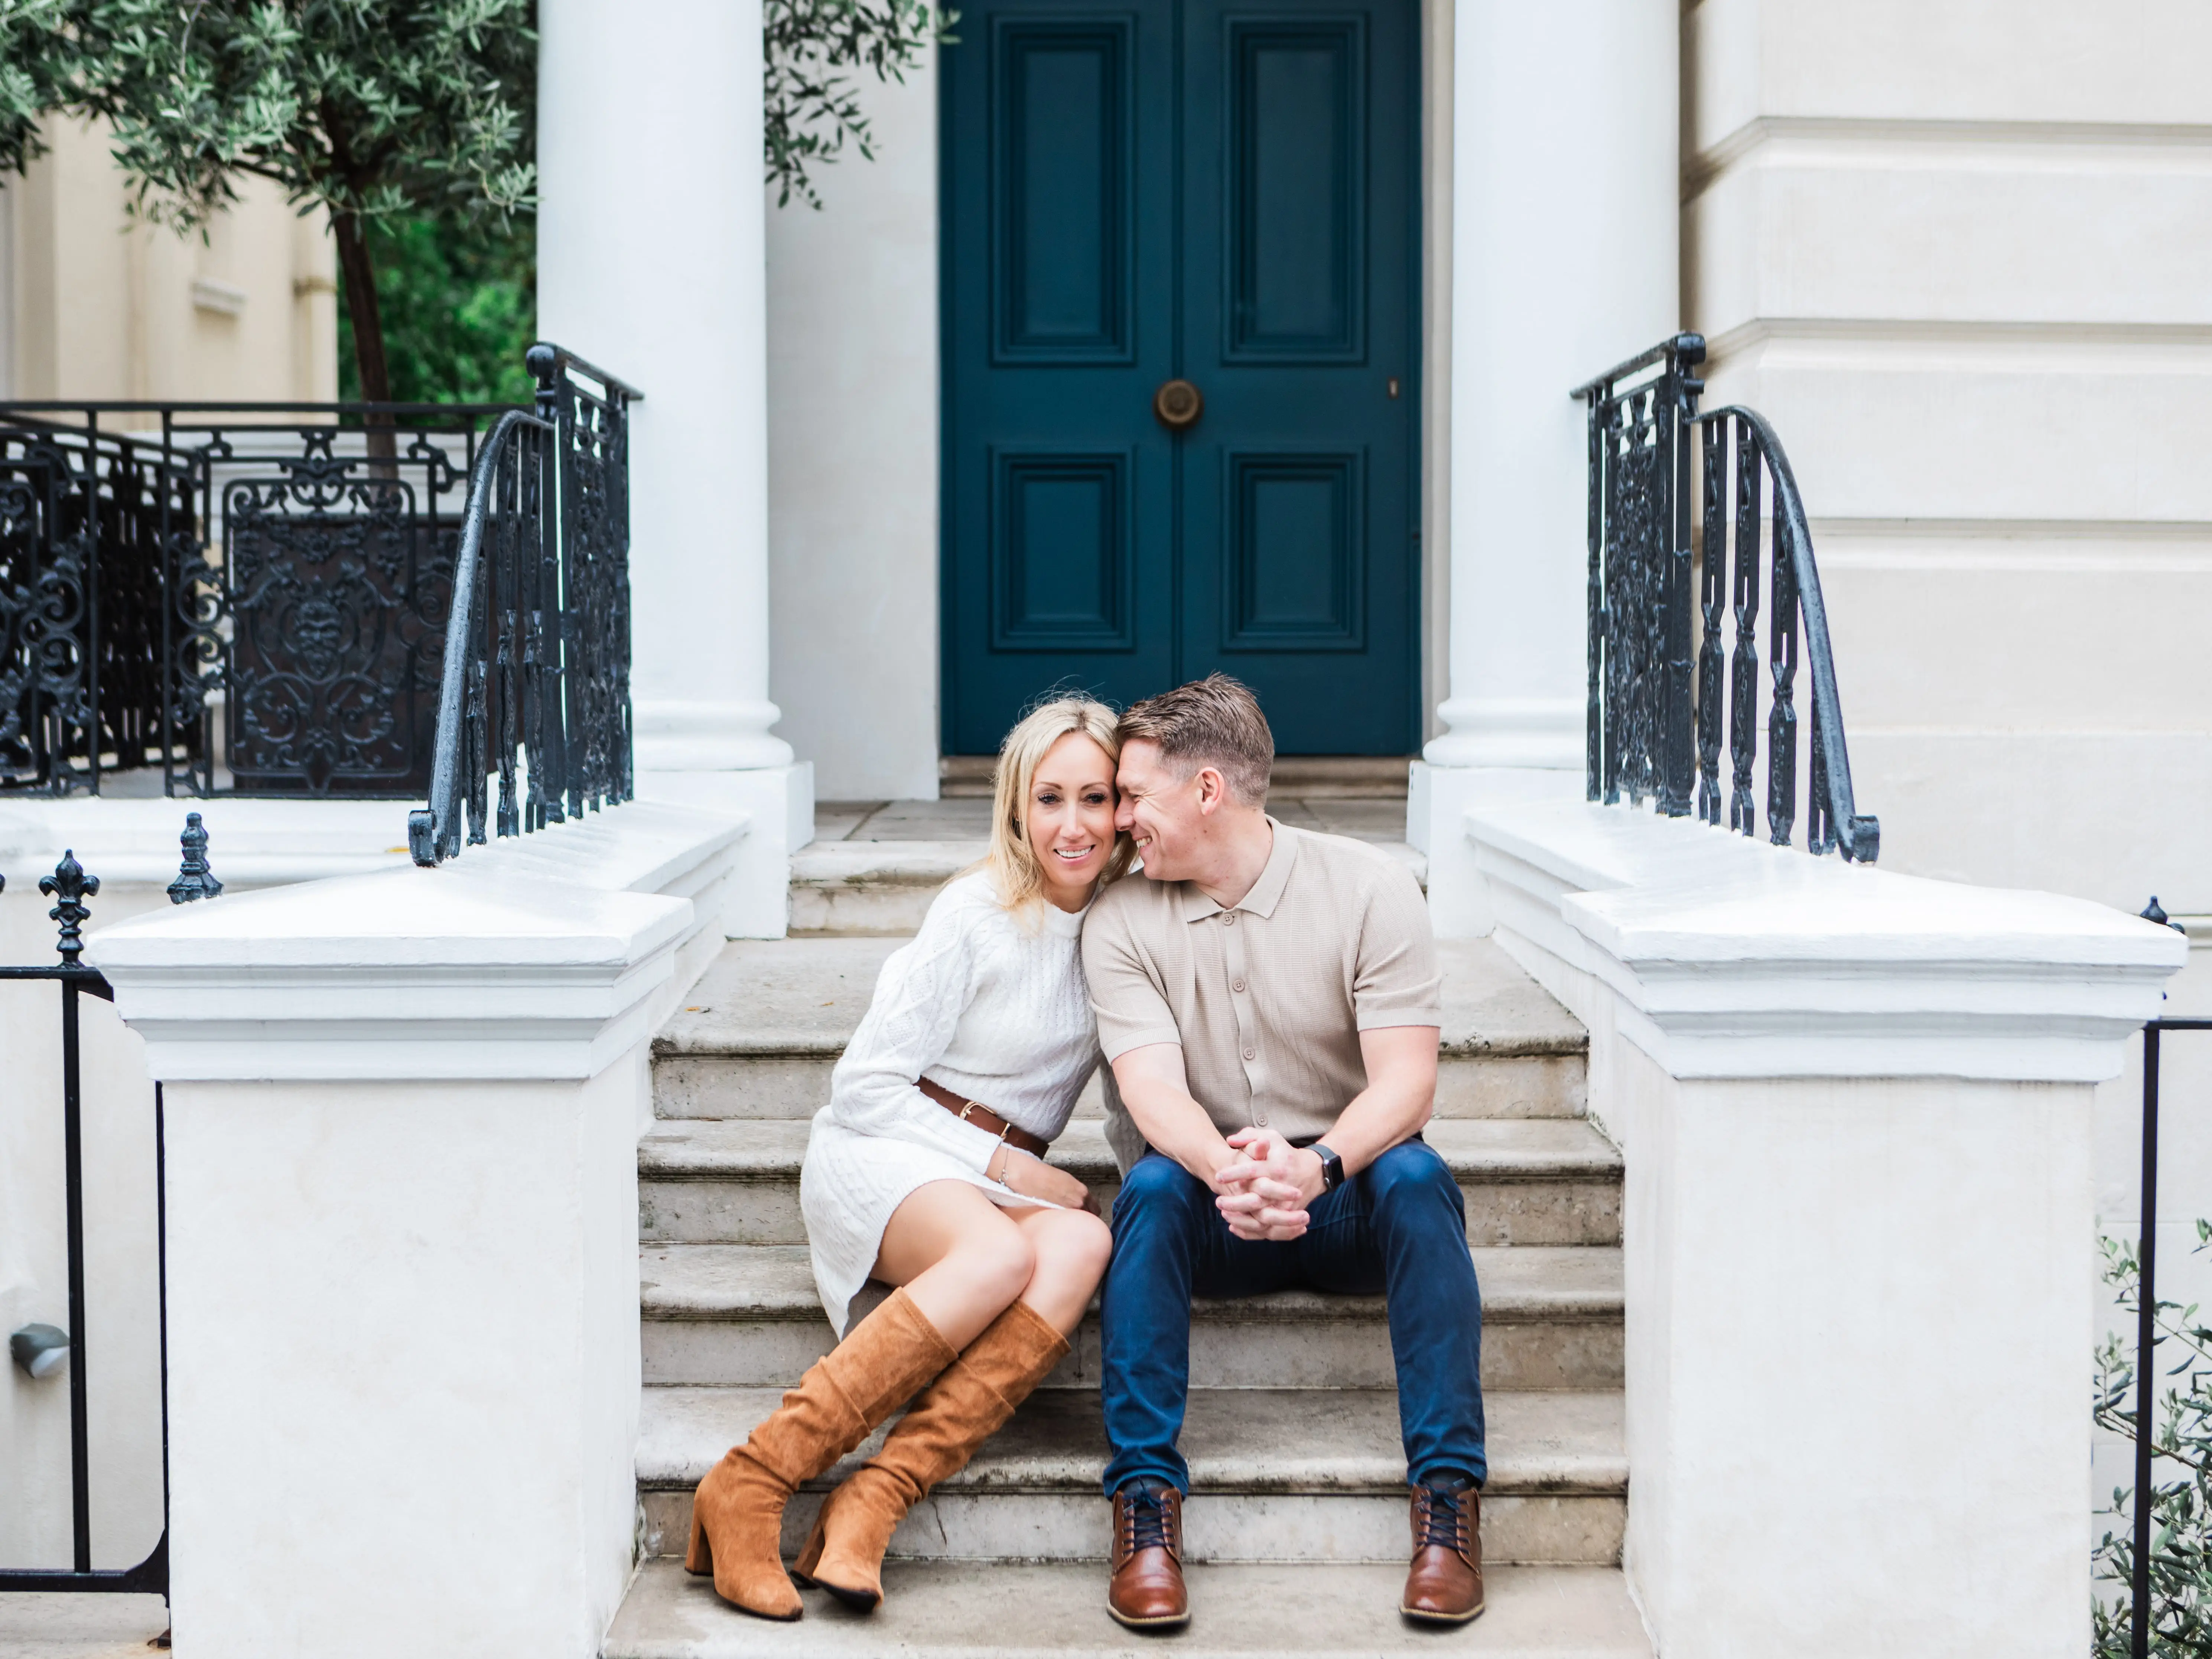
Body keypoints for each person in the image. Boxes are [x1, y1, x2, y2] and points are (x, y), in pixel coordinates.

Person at [687, 697, 1128, 1621]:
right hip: (886, 1146)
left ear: (1125, 808)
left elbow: (1137, 1086)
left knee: (1084, 1245)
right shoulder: (974, 912)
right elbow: (864, 1088)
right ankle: (752, 1479)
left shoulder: (1126, 931)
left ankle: (872, 1496)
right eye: (1050, 798)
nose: (1074, 824)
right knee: (1004, 1253)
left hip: (975, 1179)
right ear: (1016, 807)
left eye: (1095, 797)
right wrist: (1009, 1169)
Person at [1081, 674, 1486, 1630]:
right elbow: (1150, 1092)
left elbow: (1406, 1085)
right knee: (1144, 1189)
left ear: (1207, 790)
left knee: (1419, 1174)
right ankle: (1144, 1508)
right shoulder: (1119, 920)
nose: (1120, 819)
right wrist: (1233, 1170)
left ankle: (1447, 1505)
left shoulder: (1369, 887)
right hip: (1210, 1205)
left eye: (1135, 795)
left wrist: (1316, 1167)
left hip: (1342, 1198)